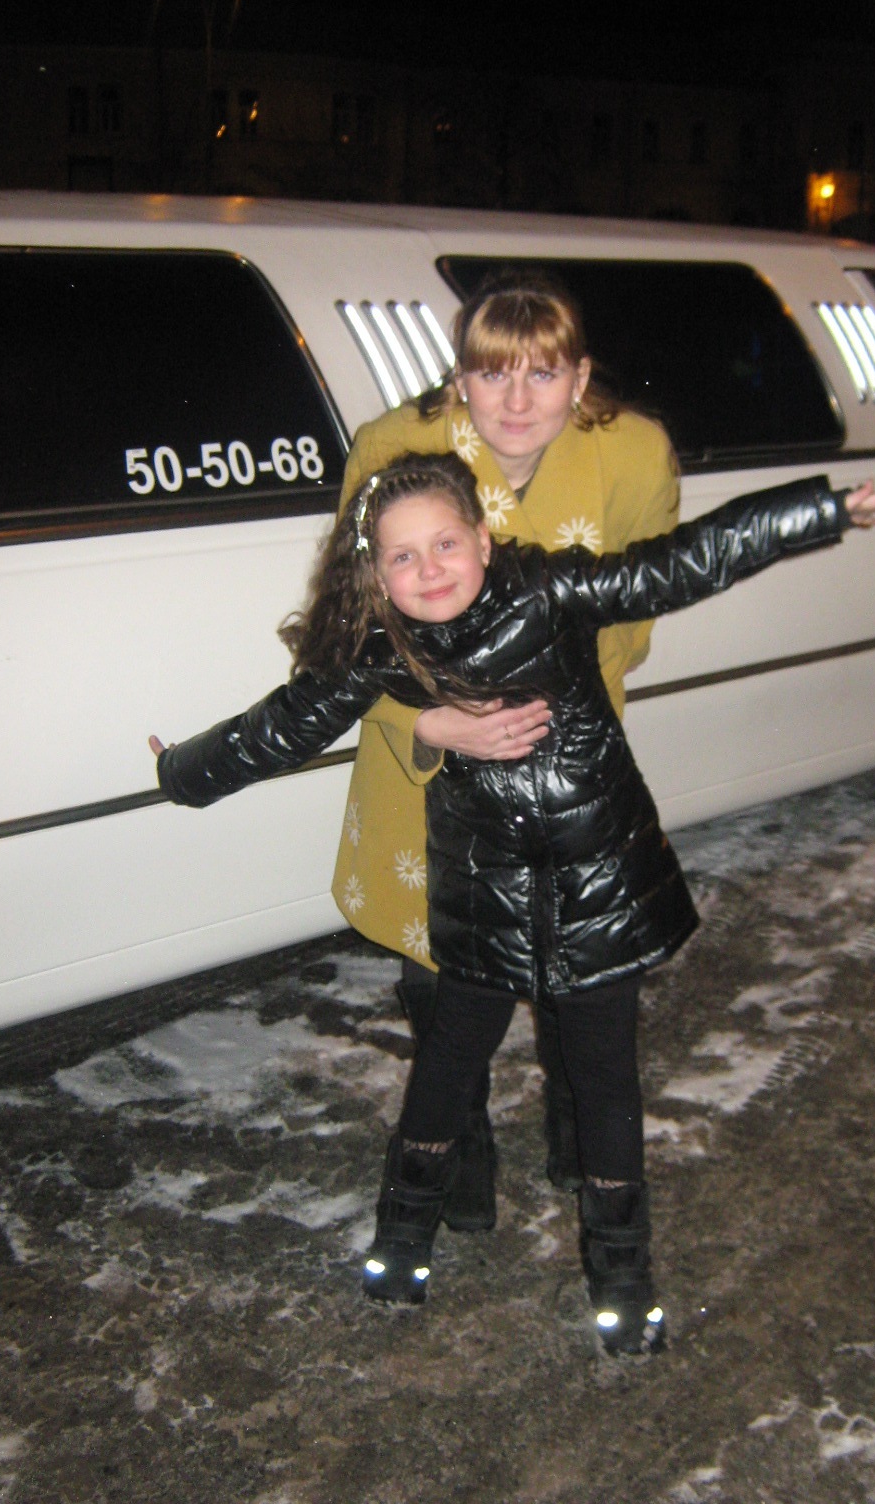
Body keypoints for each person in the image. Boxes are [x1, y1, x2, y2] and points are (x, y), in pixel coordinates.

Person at [153, 450, 875, 1353]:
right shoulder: (382, 649)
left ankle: (624, 1285)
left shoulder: (549, 593)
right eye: (403, 556)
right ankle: (401, 1246)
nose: (430, 569)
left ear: (484, 540)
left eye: (446, 543)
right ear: (377, 574)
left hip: (598, 883)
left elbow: (681, 562)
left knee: (605, 1083)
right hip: (483, 892)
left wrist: (821, 512)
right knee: (446, 1067)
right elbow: (278, 728)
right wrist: (181, 772)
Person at [335, 273, 681, 1232]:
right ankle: (458, 1166)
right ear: (460, 376)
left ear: (581, 377)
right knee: (445, 971)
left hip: (565, 767)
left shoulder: (633, 452)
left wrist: (550, 722)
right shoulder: (394, 449)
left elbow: (635, 614)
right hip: (429, 762)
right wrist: (430, 722)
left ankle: (584, 1149)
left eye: (544, 374)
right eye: (493, 375)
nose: (518, 402)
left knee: (584, 969)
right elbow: (348, 627)